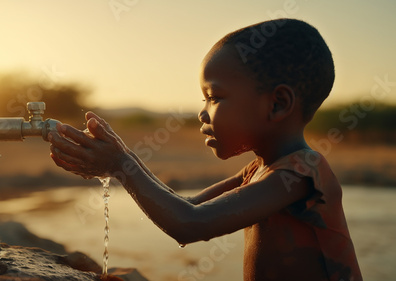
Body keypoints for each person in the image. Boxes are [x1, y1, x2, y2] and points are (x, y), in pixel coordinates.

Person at [48, 18, 362, 281]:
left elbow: (190, 224)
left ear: (277, 104)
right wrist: (121, 161)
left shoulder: (299, 174)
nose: (203, 113)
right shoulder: (259, 169)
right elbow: (187, 205)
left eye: (214, 97)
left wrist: (122, 164)